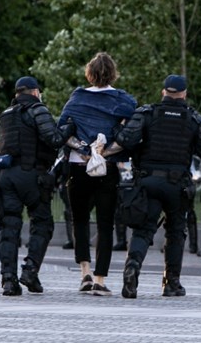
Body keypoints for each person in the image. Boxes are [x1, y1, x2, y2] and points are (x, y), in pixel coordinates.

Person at [113, 74, 201, 298]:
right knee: (176, 233)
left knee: (143, 230)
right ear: (184, 94)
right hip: (177, 185)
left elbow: (126, 140)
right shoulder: (194, 119)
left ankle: (132, 268)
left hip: (148, 181)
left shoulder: (147, 113)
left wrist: (115, 130)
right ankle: (172, 283)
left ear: (163, 92)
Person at [58, 52, 137, 296]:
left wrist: (82, 149)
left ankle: (85, 273)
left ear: (89, 73)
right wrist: (107, 150)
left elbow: (62, 128)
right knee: (105, 224)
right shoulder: (123, 100)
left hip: (78, 165)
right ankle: (101, 280)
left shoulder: (77, 97)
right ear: (113, 73)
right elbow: (132, 129)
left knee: (80, 220)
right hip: (107, 166)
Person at [0, 76, 74, 296]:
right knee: (42, 223)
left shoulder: (6, 114)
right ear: (34, 92)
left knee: (9, 228)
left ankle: (9, 280)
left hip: (7, 177)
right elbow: (54, 138)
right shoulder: (37, 109)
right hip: (32, 177)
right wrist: (70, 127)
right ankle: (30, 270)